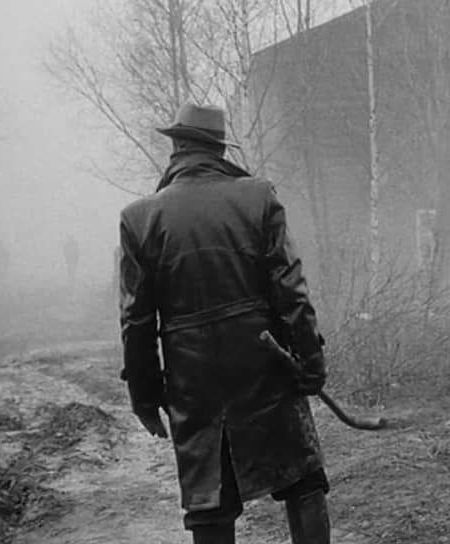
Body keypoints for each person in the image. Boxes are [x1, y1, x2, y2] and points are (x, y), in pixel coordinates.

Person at [118, 104, 330, 544]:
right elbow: (291, 291)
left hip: (193, 383)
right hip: (265, 365)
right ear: (218, 149)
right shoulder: (258, 197)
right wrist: (311, 361)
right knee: (303, 482)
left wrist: (145, 397)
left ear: (178, 146)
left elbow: (136, 323)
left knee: (209, 504)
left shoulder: (139, 219)